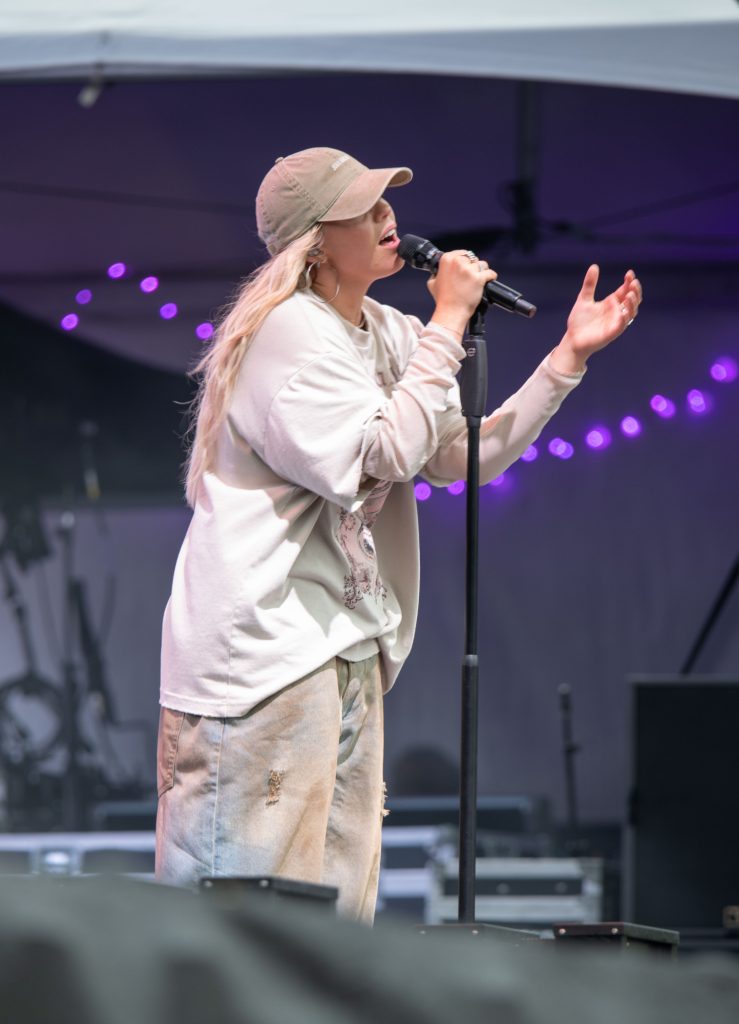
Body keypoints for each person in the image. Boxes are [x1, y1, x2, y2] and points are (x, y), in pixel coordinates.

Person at [155, 146, 642, 921]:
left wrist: (563, 360)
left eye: (387, 203)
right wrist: (448, 320)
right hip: (264, 657)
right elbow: (377, 454)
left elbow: (456, 453)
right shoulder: (287, 333)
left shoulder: (380, 328)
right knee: (243, 918)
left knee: (337, 916)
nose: (390, 220)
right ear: (316, 241)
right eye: (366, 209)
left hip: (343, 646)